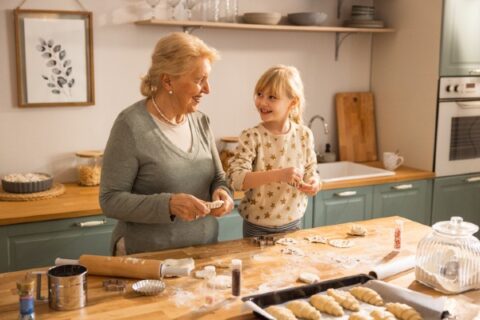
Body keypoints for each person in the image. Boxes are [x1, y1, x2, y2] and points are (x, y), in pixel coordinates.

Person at [100, 32, 234, 255]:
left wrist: (222, 192)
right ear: (168, 80)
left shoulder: (201, 121)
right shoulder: (130, 126)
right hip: (147, 260)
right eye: (200, 80)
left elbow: (218, 178)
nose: (208, 89)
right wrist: (168, 205)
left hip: (202, 254)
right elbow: (110, 200)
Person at [227, 65, 321, 237]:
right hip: (256, 227)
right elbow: (235, 179)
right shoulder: (251, 137)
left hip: (294, 223)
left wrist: (314, 182)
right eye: (260, 94)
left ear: (292, 102)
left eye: (272, 97)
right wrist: (279, 175)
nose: (262, 102)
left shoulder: (304, 135)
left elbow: (310, 170)